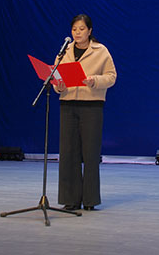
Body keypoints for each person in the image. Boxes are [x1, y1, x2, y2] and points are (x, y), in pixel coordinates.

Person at [54, 14, 117, 211]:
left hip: (91, 105)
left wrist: (94, 80)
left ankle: (90, 200)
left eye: (81, 29)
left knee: (90, 153)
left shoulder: (100, 51)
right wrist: (58, 85)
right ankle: (70, 199)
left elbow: (111, 76)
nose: (77, 33)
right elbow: (55, 76)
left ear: (90, 31)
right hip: (68, 104)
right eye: (74, 29)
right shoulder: (64, 51)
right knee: (68, 153)